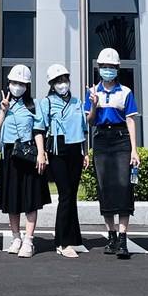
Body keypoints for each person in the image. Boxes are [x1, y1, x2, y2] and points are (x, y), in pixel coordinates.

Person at [84, 47, 139, 260]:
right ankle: (111, 236)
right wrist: (94, 105)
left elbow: (130, 120)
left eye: (111, 66)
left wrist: (134, 150)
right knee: (105, 187)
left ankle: (123, 238)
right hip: (101, 139)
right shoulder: (92, 92)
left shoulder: (125, 91)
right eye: (104, 66)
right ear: (99, 68)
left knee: (124, 186)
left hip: (121, 138)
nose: (107, 69)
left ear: (118, 68)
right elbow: (89, 121)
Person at [0, 64, 50, 258]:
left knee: (30, 199)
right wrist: (3, 111)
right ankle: (16, 237)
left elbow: (38, 130)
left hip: (28, 153)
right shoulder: (4, 103)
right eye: (14, 82)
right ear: (8, 83)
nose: (17, 86)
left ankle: (29, 240)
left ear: (27, 86)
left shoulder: (33, 104)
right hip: (9, 154)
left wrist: (41, 153)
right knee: (13, 198)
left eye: (21, 83)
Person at [38, 63, 89, 258]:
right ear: (51, 84)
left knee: (72, 194)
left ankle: (73, 237)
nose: (62, 83)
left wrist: (85, 152)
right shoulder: (47, 102)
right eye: (58, 81)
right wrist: (42, 152)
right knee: (65, 194)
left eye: (65, 79)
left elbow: (84, 128)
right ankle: (62, 242)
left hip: (76, 149)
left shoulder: (77, 102)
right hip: (58, 151)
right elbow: (41, 129)